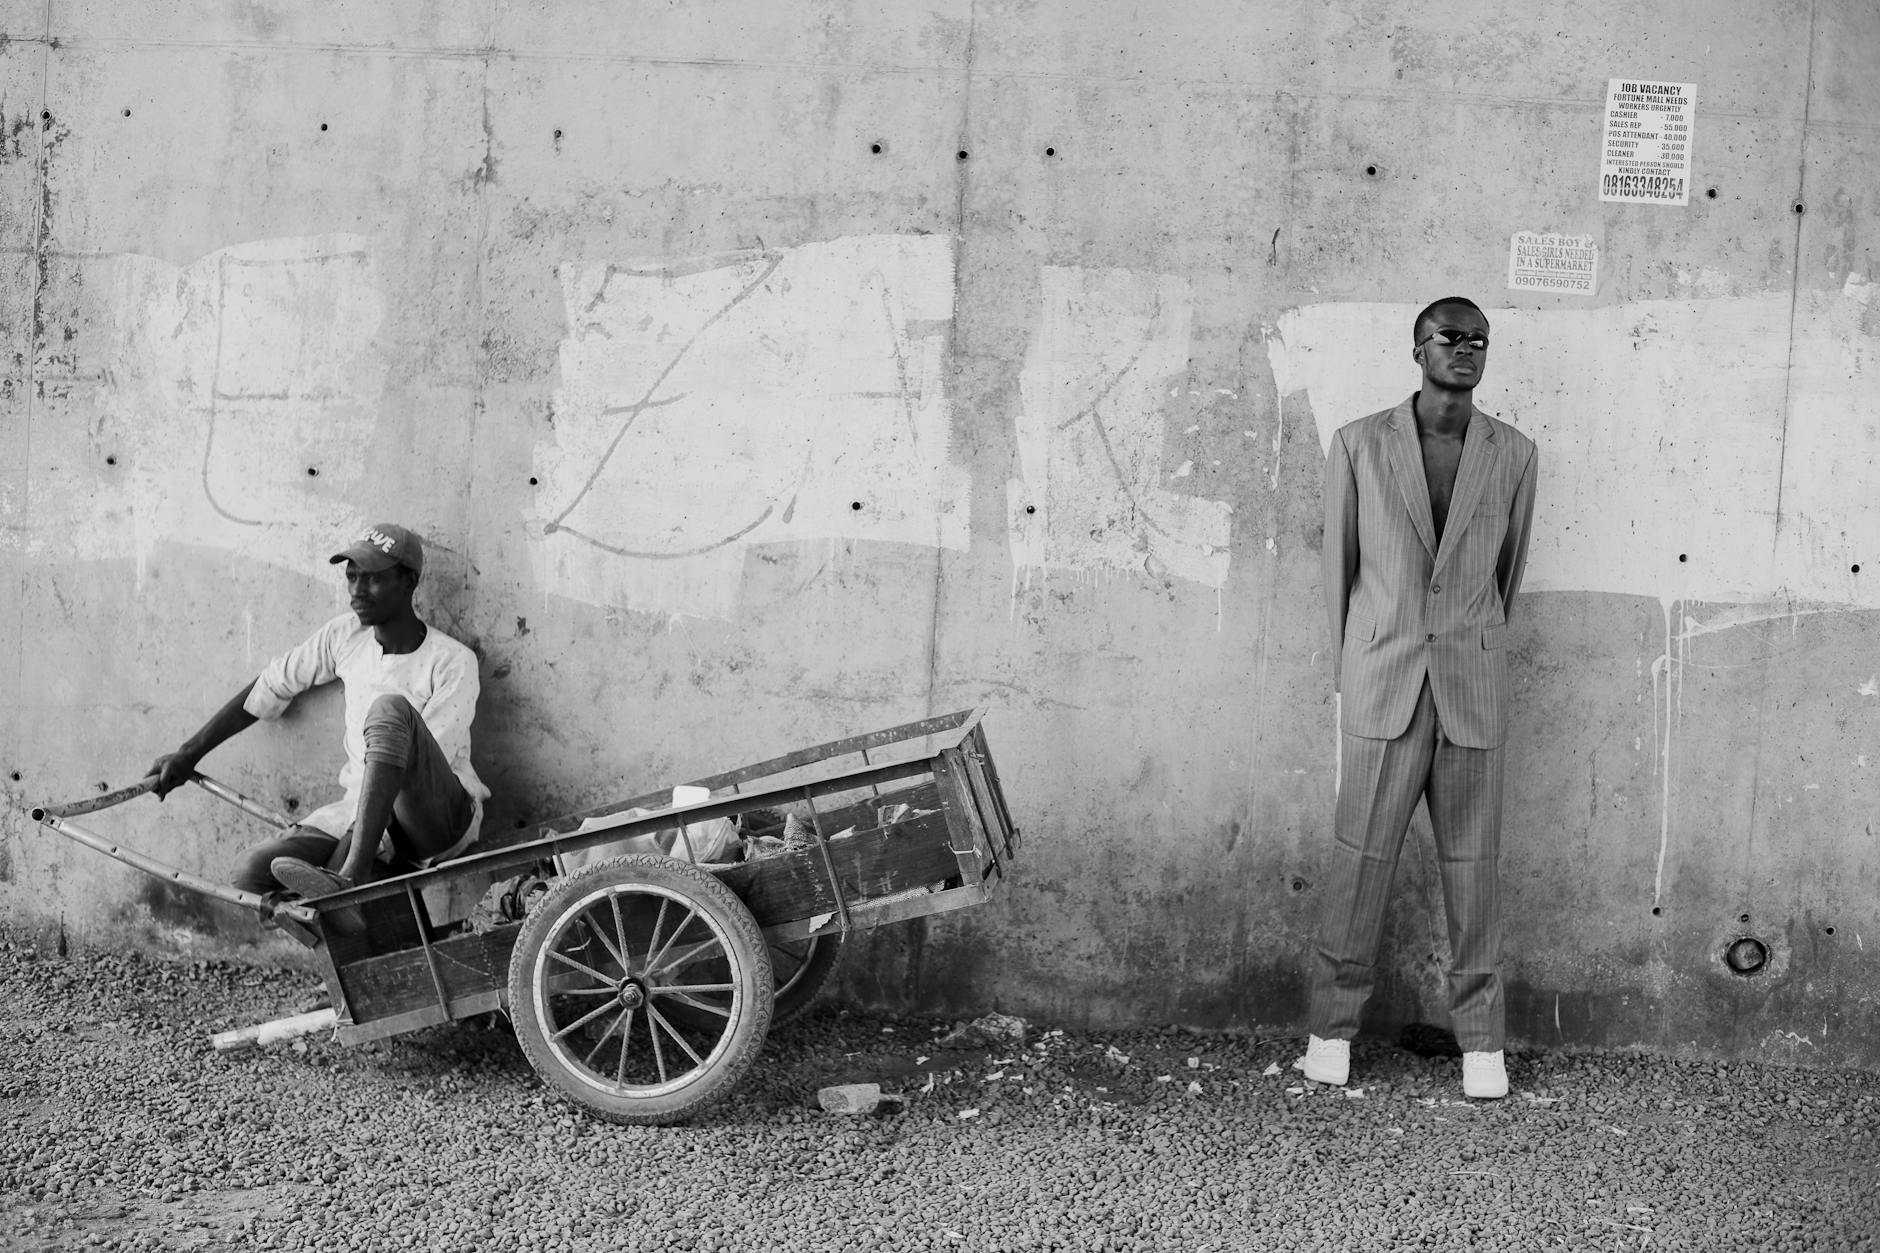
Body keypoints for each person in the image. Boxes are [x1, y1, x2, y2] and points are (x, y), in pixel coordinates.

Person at [1301, 297, 1538, 1100]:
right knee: (1356, 865)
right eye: (1449, 338)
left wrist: (1468, 640)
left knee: (1475, 873)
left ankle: (1483, 1044)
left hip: (1471, 687)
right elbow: (1340, 572)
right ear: (1417, 348)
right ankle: (1329, 1030)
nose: (1464, 351)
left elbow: (1506, 577)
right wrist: (1355, 672)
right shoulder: (1360, 445)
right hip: (1385, 682)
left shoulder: (1515, 454)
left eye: (1478, 341)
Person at [147, 523, 488, 911]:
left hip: (437, 817)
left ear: (409, 581)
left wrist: (352, 850)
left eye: (373, 579)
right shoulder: (346, 636)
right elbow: (271, 685)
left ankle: (351, 877)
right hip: (358, 808)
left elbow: (420, 770)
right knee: (251, 873)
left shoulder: (452, 661)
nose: (358, 590)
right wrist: (189, 753)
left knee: (390, 710)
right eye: (352, 576)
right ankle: (342, 907)